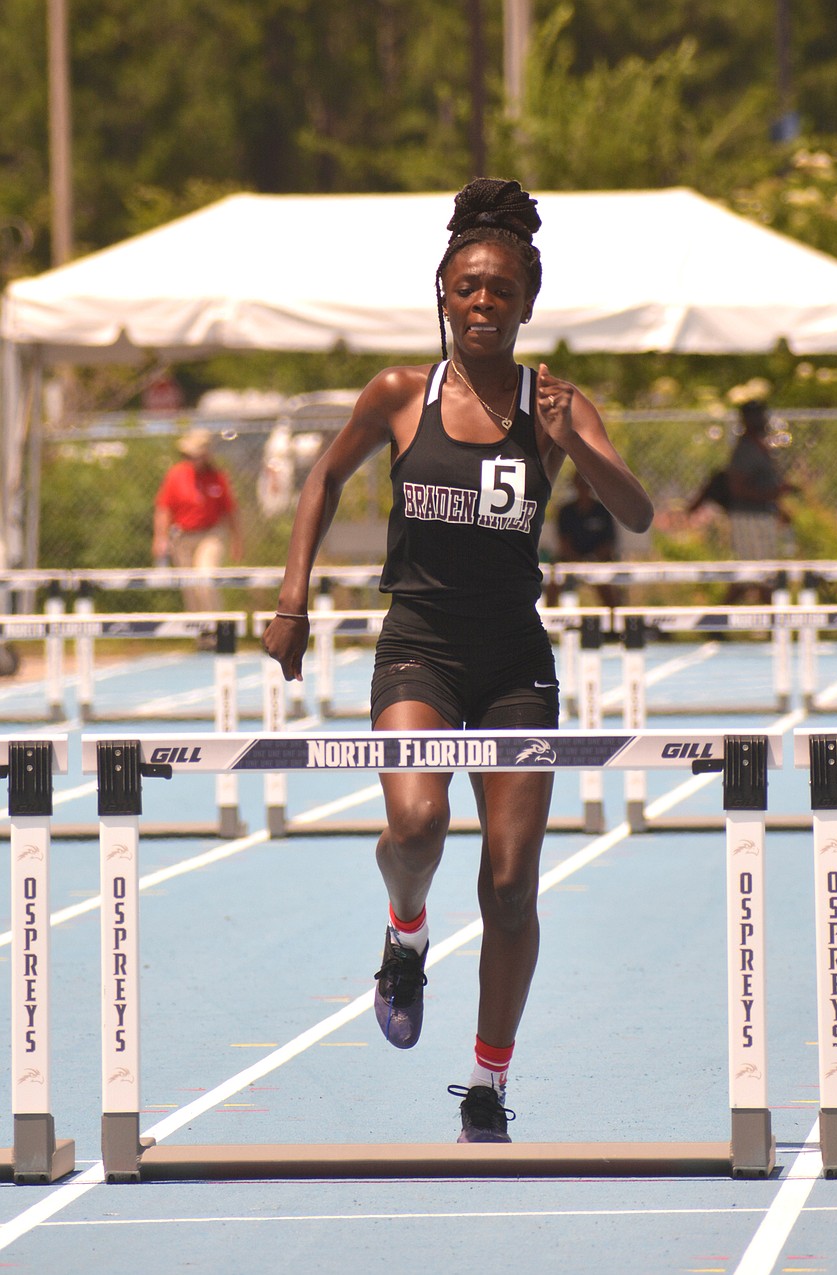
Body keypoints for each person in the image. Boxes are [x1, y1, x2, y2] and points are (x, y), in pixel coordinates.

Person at [263, 178, 653, 1143]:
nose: (485, 302)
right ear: (443, 290)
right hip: (420, 651)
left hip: (514, 663)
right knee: (418, 821)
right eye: (469, 286)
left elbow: (637, 513)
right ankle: (405, 935)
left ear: (528, 300)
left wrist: (575, 448)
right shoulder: (402, 394)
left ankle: (488, 1080)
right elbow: (321, 477)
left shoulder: (554, 402)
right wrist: (292, 597)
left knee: (512, 883)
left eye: (503, 289)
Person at [152, 428, 243, 614]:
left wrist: (237, 541)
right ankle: (201, 633)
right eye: (188, 455)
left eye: (195, 455)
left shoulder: (218, 477)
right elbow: (164, 509)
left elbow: (231, 512)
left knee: (205, 579)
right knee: (190, 588)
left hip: (210, 535)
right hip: (182, 537)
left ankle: (216, 626)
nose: (191, 460)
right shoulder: (176, 475)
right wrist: (160, 538)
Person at [724, 399, 796, 604]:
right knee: (757, 574)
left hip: (763, 515)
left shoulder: (762, 445)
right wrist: (772, 494)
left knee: (760, 573)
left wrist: (778, 506)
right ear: (747, 419)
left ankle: (719, 619)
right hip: (749, 516)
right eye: (757, 415)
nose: (763, 419)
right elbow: (737, 488)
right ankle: (771, 622)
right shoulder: (746, 449)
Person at [545, 470, 622, 609]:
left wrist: (593, 560)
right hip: (570, 560)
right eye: (580, 483)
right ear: (574, 485)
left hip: (599, 561)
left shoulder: (602, 510)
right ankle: (548, 621)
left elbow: (608, 543)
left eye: (586, 483)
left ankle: (613, 624)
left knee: (606, 584)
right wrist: (578, 561)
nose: (583, 487)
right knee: (555, 578)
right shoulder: (565, 511)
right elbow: (564, 543)